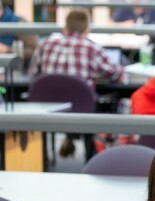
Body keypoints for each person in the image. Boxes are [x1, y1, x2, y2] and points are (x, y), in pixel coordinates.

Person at [28, 9, 124, 160]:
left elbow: (33, 75)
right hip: (81, 110)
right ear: (87, 31)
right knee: (99, 102)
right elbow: (116, 74)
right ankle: (89, 156)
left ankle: (54, 150)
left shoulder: (44, 45)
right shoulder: (92, 48)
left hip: (47, 111)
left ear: (64, 28)